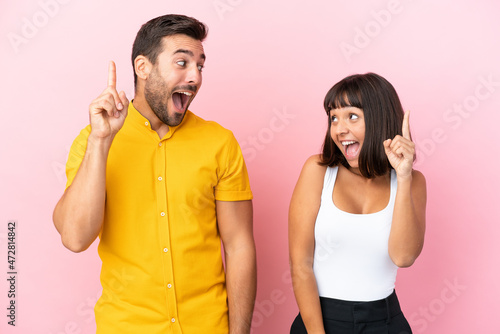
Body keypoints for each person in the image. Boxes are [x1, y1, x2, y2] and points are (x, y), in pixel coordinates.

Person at [53, 14, 256, 334]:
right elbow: (75, 238)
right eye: (182, 62)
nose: (195, 77)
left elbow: (239, 246)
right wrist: (100, 142)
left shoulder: (220, 143)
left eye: (200, 65)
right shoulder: (94, 139)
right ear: (143, 67)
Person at [288, 73, 426, 333]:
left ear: (379, 119)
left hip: (385, 321)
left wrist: (404, 176)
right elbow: (300, 265)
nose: (340, 129)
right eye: (333, 118)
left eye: (352, 116)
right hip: (320, 320)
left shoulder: (412, 182)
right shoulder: (318, 172)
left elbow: (403, 257)